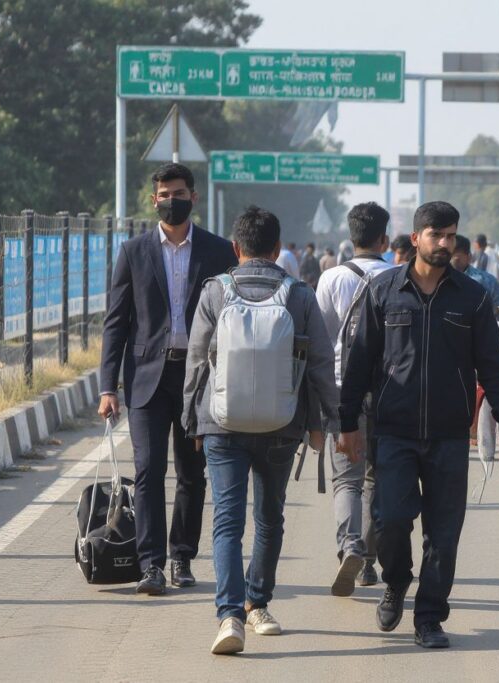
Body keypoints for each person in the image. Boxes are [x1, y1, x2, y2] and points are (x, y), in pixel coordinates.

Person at [336, 201, 499, 650]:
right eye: (435, 235)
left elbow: (493, 367)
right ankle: (396, 581)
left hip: (448, 435)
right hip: (394, 430)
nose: (444, 243)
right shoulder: (383, 291)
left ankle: (429, 618)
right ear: (415, 237)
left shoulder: (472, 297)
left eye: (451, 235)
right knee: (391, 519)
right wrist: (348, 424)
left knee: (444, 531)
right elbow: (359, 361)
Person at [183, 205, 339, 655]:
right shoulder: (299, 295)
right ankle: (258, 605)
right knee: (269, 518)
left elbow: (197, 361)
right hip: (282, 424)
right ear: (277, 248)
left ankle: (228, 616)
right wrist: (324, 424)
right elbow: (320, 367)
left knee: (227, 523)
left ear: (236, 247)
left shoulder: (216, 291)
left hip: (221, 423)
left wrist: (192, 419)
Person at [99, 162, 237, 595]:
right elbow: (115, 322)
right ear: (153, 199)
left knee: (193, 471)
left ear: (193, 198)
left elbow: (232, 316)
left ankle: (182, 556)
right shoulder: (133, 252)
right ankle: (150, 564)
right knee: (148, 470)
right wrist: (107, 387)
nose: (169, 201)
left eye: (177, 193)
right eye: (162, 194)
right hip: (146, 378)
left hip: (200, 377)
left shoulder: (218, 252)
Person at [314, 202, 395, 597]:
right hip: (387, 394)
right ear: (385, 238)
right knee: (377, 478)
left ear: (350, 238)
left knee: (346, 477)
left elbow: (322, 341)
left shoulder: (330, 279)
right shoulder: (399, 277)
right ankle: (367, 563)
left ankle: (349, 546)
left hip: (342, 393)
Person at [451, 235, 499, 463]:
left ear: (468, 256)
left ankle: (484, 442)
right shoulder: (437, 281)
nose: (452, 258)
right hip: (453, 351)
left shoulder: (485, 281)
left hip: (482, 347)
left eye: (456, 254)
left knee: (484, 395)